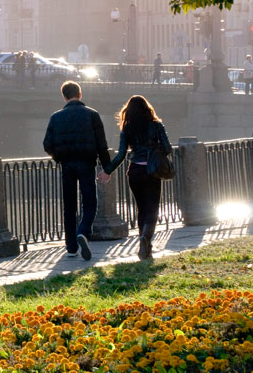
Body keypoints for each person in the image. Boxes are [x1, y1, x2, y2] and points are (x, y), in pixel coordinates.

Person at [43, 81, 111, 260]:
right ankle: (83, 231)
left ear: (64, 97)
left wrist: (59, 157)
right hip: (87, 164)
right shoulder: (92, 115)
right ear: (80, 94)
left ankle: (71, 246)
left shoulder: (56, 117)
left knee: (69, 205)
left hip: (67, 166)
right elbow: (102, 145)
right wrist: (107, 168)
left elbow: (47, 144)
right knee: (89, 202)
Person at [99, 95, 172, 261]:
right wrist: (155, 148)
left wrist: (107, 171)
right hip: (152, 171)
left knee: (141, 209)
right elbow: (167, 149)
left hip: (134, 172)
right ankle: (146, 238)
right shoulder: (156, 125)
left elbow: (121, 155)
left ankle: (144, 247)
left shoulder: (127, 128)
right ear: (147, 108)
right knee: (152, 209)